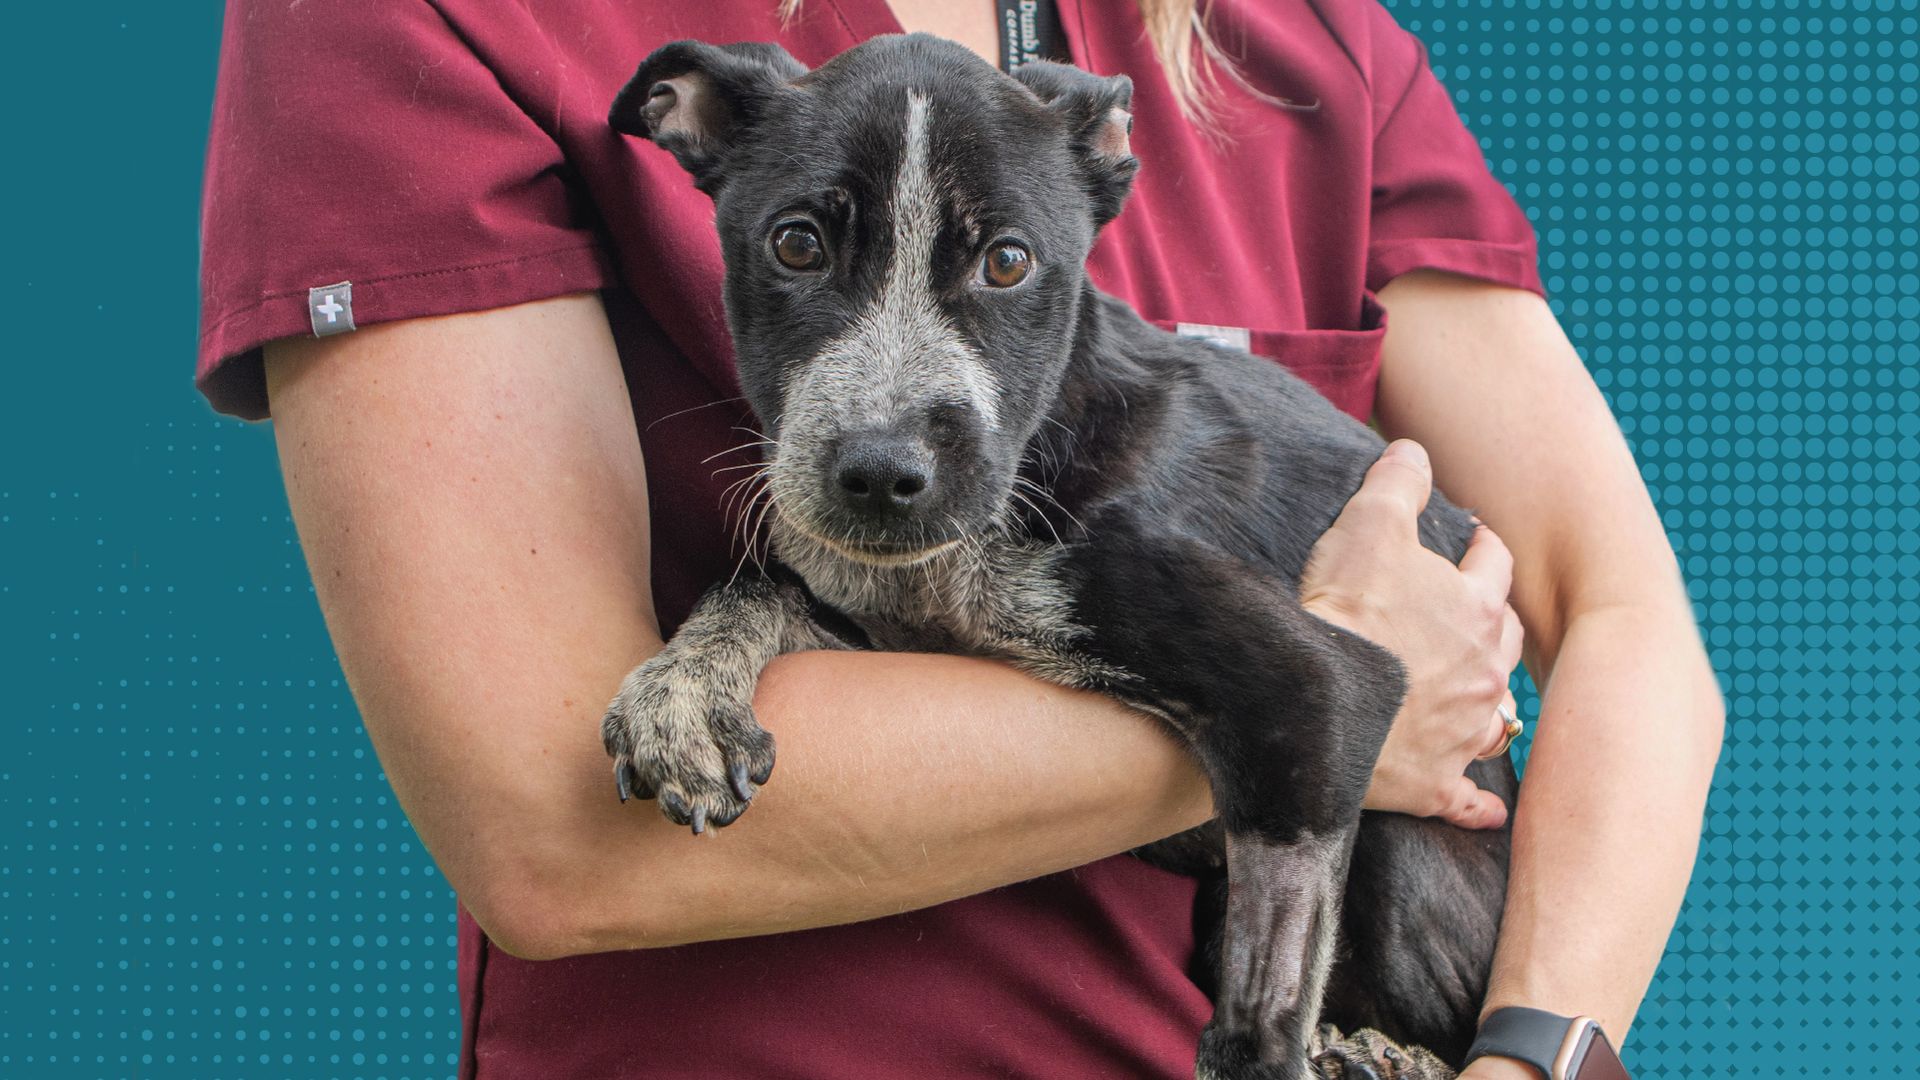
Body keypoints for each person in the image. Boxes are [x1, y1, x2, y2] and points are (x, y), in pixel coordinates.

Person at [196, 0, 1723, 1076]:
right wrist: (1312, 698)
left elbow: (1622, 625)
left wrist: (1542, 1054)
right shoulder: (433, 17)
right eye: (804, 247)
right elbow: (550, 827)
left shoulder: (1301, 45)